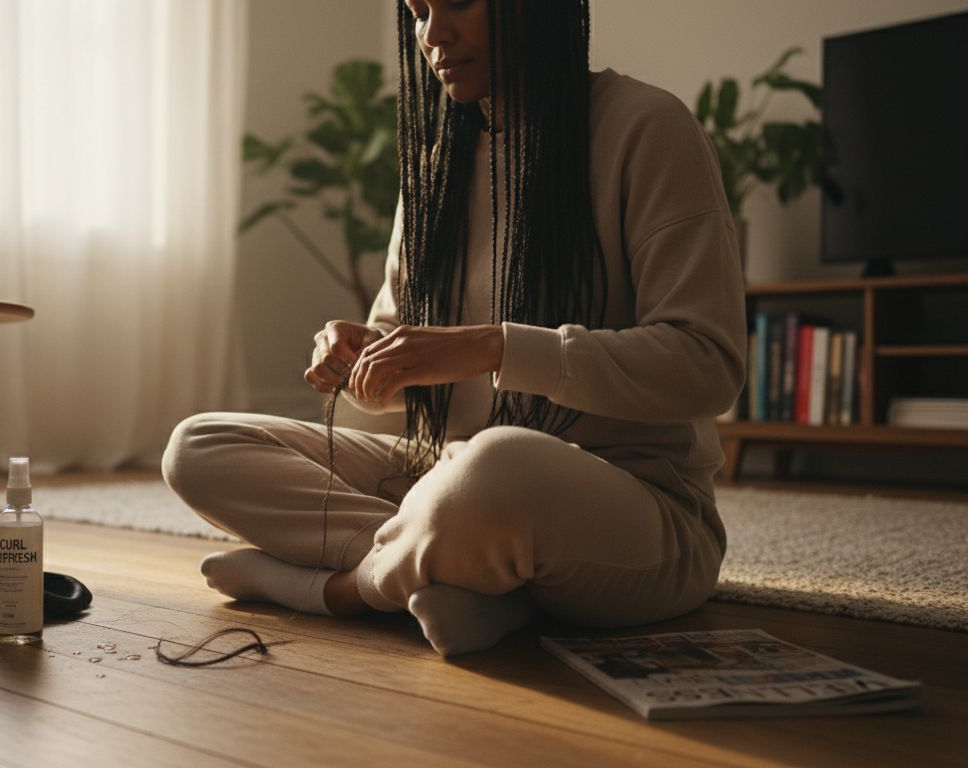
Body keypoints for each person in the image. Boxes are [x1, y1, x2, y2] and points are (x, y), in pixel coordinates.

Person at [162, 0, 745, 656]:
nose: (433, 36)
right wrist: (361, 357)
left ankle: (343, 588)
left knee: (495, 465)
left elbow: (707, 366)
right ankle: (465, 578)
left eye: (459, 3)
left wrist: (493, 346)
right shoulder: (440, 168)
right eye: (417, 10)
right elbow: (396, 380)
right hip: (445, 480)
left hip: (632, 503)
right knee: (198, 446)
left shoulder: (646, 127)